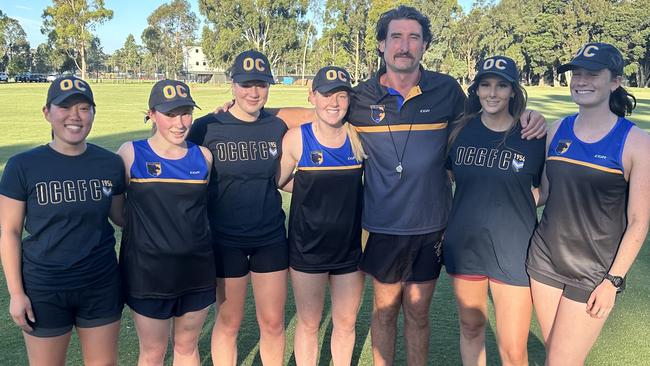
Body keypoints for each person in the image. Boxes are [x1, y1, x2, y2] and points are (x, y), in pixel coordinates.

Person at [214, 7, 546, 365]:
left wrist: (531, 115)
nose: (404, 46)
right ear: (381, 44)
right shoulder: (359, 96)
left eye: (414, 38)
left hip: (430, 227)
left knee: (418, 316)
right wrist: (242, 109)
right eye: (397, 37)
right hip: (380, 228)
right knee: (384, 314)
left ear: (425, 45)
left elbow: (490, 113)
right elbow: (322, 111)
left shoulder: (447, 91)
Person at [527, 42, 650, 365]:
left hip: (594, 272)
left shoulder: (637, 142)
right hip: (545, 262)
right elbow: (545, 194)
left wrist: (613, 281)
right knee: (558, 354)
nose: (581, 80)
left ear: (614, 81)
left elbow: (639, 221)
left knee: (561, 361)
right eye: (577, 73)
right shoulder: (557, 131)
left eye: (592, 74)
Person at [0, 76, 125, 366]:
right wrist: (16, 293)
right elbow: (9, 231)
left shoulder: (109, 164)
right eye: (64, 107)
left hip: (100, 282)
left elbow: (122, 217)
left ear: (94, 112)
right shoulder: (23, 166)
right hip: (44, 286)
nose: (75, 116)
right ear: (47, 112)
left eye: (84, 108)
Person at [187, 50, 288, 366]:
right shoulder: (207, 126)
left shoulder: (276, 126)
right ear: (232, 85)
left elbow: (315, 113)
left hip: (269, 236)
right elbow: (167, 149)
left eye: (261, 84)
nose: (254, 92)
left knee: (272, 323)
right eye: (246, 85)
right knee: (229, 321)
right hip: (224, 239)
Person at [444, 56, 545, 366]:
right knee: (471, 327)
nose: (492, 93)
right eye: (485, 85)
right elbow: (451, 178)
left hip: (513, 246)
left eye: (501, 85)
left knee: (513, 347)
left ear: (513, 91)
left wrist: (512, 199)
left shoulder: (533, 135)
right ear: (475, 90)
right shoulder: (459, 130)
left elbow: (546, 192)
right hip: (466, 244)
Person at [117, 79, 215, 366]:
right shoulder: (130, 153)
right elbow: (118, 211)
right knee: (153, 353)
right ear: (152, 114)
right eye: (170, 114)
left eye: (186, 113)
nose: (180, 122)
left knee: (186, 348)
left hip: (196, 270)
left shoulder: (204, 157)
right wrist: (148, 234)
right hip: (147, 273)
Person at [277, 66, 365, 366]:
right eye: (327, 94)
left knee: (345, 324)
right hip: (307, 249)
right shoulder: (296, 139)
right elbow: (277, 181)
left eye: (341, 95)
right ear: (312, 96)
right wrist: (306, 189)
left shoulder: (359, 138)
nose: (334, 102)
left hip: (350, 250)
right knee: (309, 324)